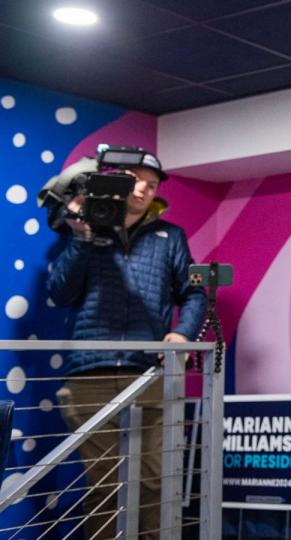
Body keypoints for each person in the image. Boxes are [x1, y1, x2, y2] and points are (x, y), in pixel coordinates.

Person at [47, 150, 206, 539]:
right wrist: (83, 234)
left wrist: (182, 334)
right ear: (116, 182)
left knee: (154, 479)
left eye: (152, 185)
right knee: (105, 486)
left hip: (149, 371)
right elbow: (61, 292)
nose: (144, 189)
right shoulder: (83, 228)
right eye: (136, 180)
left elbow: (195, 293)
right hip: (90, 374)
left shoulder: (170, 236)